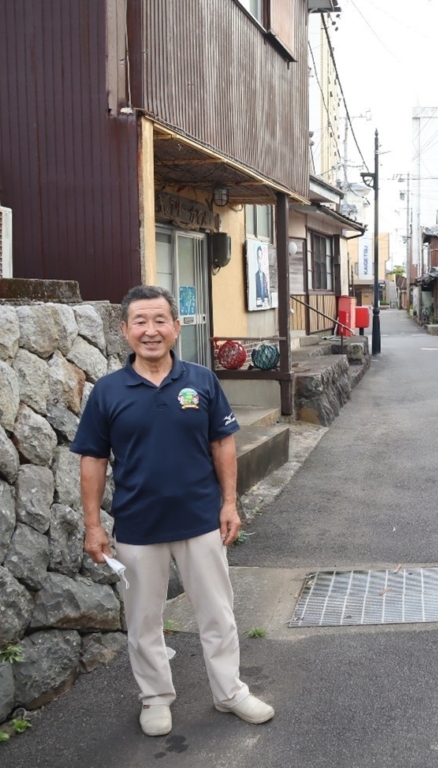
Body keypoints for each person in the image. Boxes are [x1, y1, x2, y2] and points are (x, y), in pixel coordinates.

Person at [72, 285, 274, 737]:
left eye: (160, 320)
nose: (150, 331)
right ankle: (155, 698)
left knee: (218, 614)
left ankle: (230, 693)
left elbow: (222, 443)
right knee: (143, 620)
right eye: (140, 322)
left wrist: (229, 503)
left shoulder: (201, 381)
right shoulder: (107, 392)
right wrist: (92, 525)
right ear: (125, 330)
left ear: (176, 327)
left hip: (201, 519)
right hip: (138, 525)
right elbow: (93, 460)